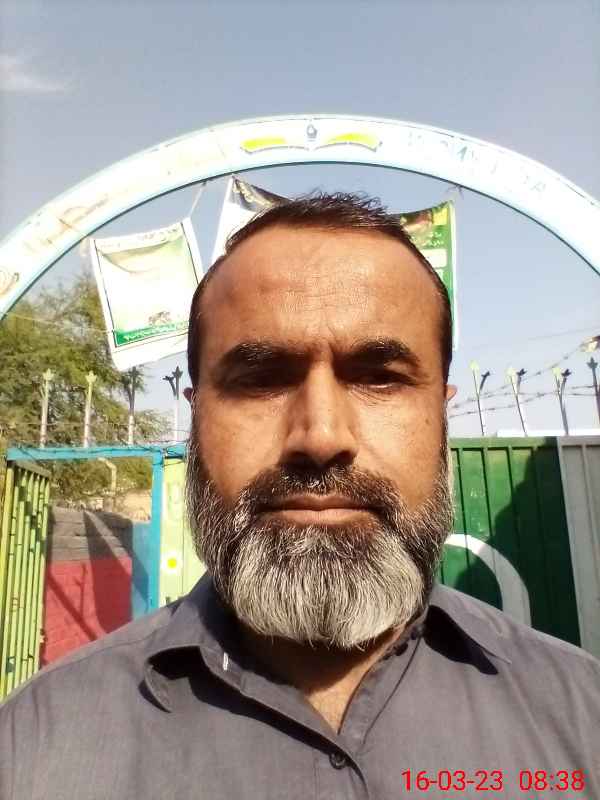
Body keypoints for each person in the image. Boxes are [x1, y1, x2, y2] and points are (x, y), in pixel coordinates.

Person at [1, 193, 599, 800]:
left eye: (379, 378)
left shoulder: (581, 713)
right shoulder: (35, 745)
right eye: (261, 379)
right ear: (196, 420)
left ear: (441, 417)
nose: (320, 437)